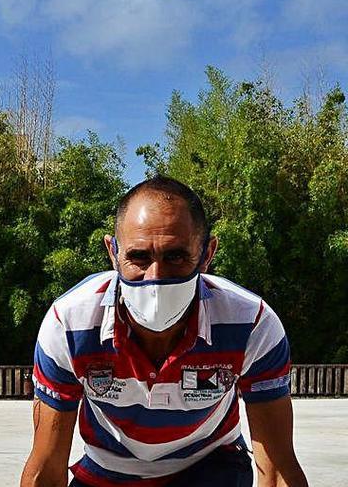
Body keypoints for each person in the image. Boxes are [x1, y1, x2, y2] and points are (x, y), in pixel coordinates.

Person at [21, 176, 308, 487]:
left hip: (208, 465)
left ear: (207, 253)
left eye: (175, 256)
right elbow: (46, 465)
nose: (155, 278)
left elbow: (278, 470)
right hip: (108, 472)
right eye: (139, 257)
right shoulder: (69, 325)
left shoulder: (252, 324)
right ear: (112, 252)